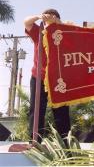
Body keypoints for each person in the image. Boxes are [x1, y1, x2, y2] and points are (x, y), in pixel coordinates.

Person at [24, 9, 71, 143]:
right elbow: (26, 22)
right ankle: (34, 142)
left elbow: (73, 32)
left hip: (58, 79)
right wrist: (38, 16)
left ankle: (66, 145)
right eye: (46, 18)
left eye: (52, 17)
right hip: (38, 77)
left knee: (61, 112)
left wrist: (56, 22)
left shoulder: (64, 32)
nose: (48, 20)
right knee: (36, 110)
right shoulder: (39, 32)